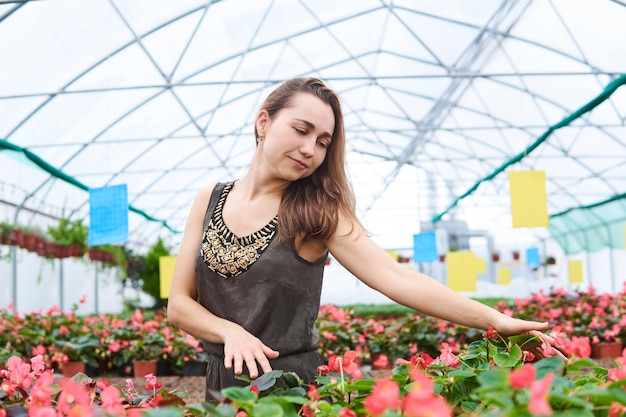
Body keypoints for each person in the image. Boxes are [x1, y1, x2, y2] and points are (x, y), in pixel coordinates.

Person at [167, 77, 563, 400]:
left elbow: (397, 277)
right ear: (264, 122)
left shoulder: (317, 211)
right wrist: (229, 331)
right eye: (301, 130)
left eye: (323, 142)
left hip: (287, 389)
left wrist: (496, 320)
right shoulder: (209, 199)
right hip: (219, 384)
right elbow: (179, 305)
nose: (310, 149)